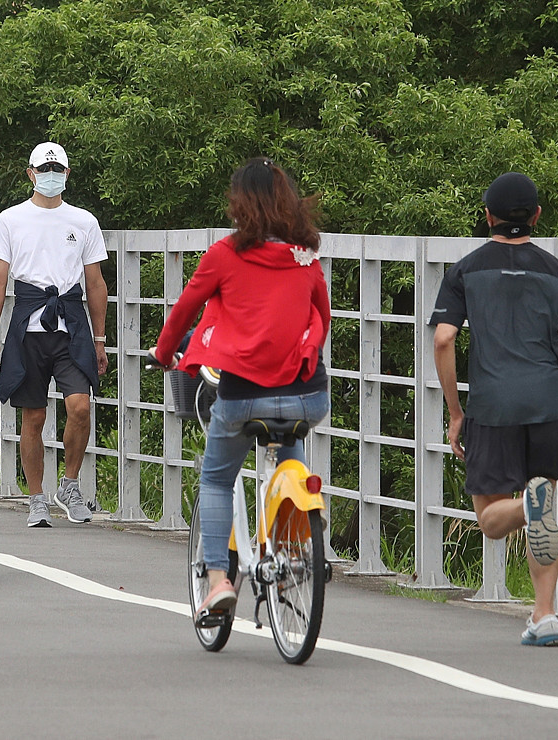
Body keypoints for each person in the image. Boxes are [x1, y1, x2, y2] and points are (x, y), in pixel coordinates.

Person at [430, 172, 558, 647]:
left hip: (493, 406)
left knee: (491, 520)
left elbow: (444, 338)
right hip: (551, 406)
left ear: (486, 216)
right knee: (542, 501)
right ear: (537, 216)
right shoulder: (557, 272)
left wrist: (454, 411)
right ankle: (545, 615)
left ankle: (529, 514)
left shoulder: (465, 270)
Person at [151, 157, 331, 619]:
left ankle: (216, 581)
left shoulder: (224, 255)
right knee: (288, 441)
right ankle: (293, 547)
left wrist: (163, 352)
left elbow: (185, 310)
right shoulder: (306, 256)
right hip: (307, 395)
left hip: (242, 394)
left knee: (215, 478)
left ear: (239, 204)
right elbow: (321, 319)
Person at [0, 141, 110, 528]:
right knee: (33, 416)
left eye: (57, 170)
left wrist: (101, 339)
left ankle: (69, 485)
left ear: (67, 175)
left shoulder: (84, 221)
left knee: (80, 407)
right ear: (31, 173)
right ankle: (36, 498)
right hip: (27, 323)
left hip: (71, 324)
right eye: (44, 169)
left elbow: (95, 283)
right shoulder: (10, 219)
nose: (51, 176)